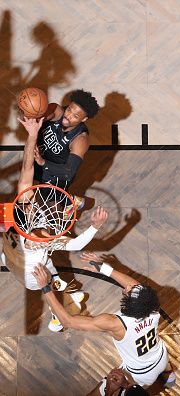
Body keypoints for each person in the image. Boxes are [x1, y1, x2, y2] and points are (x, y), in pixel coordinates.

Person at [1, 115, 108, 331]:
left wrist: (32, 135)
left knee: (40, 265)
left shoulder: (18, 211)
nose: (33, 205)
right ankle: (58, 313)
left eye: (30, 206)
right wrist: (95, 226)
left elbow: (26, 166)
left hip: (12, 255)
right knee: (49, 277)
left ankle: (64, 288)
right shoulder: (41, 241)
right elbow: (75, 245)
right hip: (33, 275)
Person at [32, 253, 174, 388]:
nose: (129, 286)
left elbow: (67, 322)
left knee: (107, 390)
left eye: (130, 291)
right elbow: (136, 287)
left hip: (140, 374)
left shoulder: (114, 323)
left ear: (130, 305)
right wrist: (102, 267)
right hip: (161, 356)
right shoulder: (152, 306)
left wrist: (45, 287)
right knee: (163, 367)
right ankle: (170, 377)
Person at [34, 89, 99, 197]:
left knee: (49, 204)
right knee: (26, 189)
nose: (68, 116)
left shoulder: (80, 140)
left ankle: (69, 201)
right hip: (38, 159)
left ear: (84, 119)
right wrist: (35, 116)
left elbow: (68, 172)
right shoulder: (56, 110)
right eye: (69, 110)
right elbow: (40, 117)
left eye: (75, 116)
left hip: (56, 173)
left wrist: (42, 162)